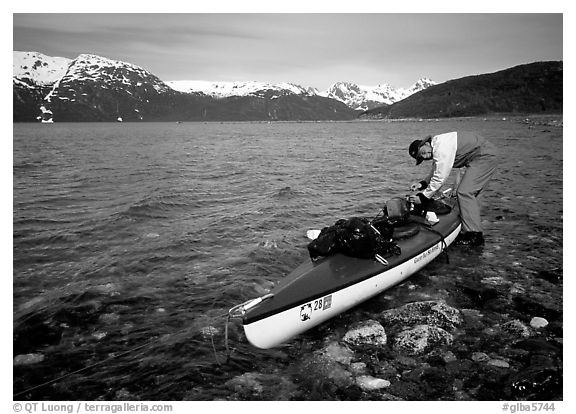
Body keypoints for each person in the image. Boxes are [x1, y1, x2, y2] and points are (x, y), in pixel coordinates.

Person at [407, 131, 498, 246]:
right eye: (421, 158)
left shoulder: (441, 147)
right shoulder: (436, 146)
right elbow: (435, 170)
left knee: (464, 192)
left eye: (423, 153)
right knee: (473, 194)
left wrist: (423, 197)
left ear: (425, 144)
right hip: (482, 155)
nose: (425, 156)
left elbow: (440, 177)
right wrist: (422, 184)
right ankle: (472, 230)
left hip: (484, 156)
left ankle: (474, 235)